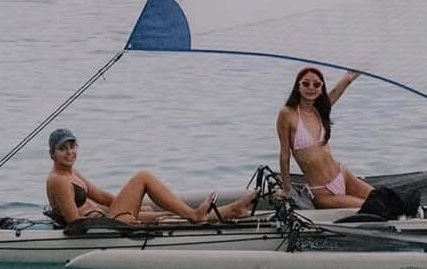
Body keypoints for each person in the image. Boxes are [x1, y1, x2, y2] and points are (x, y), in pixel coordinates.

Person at [44, 127, 257, 227]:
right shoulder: (58, 180)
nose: (70, 152)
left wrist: (125, 205)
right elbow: (74, 222)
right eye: (63, 148)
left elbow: (100, 195)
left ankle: (230, 211)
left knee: (153, 215)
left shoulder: (71, 172)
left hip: (106, 215)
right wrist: (111, 217)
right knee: (143, 178)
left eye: (72, 146)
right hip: (102, 225)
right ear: (53, 153)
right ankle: (195, 215)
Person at [276, 66, 373, 210]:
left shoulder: (319, 110)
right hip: (323, 193)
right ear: (298, 86)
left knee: (382, 197)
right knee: (372, 207)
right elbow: (285, 155)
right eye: (306, 83)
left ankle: (415, 215)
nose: (311, 88)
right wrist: (286, 189)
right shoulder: (287, 114)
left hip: (342, 175)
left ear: (321, 88)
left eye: (316, 84)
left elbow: (342, 85)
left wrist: (363, 65)